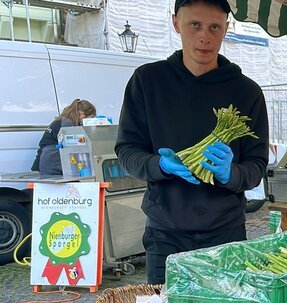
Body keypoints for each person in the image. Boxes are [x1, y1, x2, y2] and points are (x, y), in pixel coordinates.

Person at [115, 0, 269, 285]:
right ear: (176, 23)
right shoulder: (148, 82)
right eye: (194, 25)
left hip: (226, 234)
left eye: (214, 27)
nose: (204, 36)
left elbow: (257, 165)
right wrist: (157, 164)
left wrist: (231, 173)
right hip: (165, 235)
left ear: (226, 29)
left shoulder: (247, 92)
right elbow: (126, 150)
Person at [31, 99, 97, 175]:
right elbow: (73, 146)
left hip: (48, 159)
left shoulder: (63, 119)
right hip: (54, 161)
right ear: (81, 114)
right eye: (89, 118)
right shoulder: (68, 123)